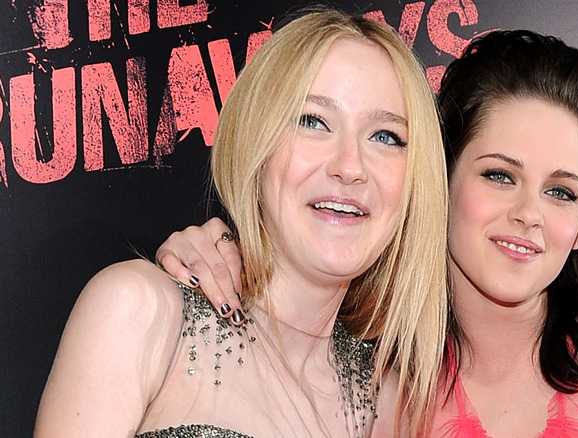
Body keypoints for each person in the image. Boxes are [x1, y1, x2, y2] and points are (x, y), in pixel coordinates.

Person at [156, 29, 578, 437]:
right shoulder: (370, 389)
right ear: (438, 180)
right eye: (500, 176)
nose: (530, 214)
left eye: (561, 191)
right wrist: (213, 256)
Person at [34, 8, 450, 438]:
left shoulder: (391, 405)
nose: (350, 166)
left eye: (386, 137)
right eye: (312, 121)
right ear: (256, 143)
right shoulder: (139, 312)